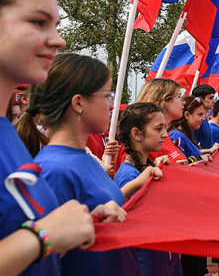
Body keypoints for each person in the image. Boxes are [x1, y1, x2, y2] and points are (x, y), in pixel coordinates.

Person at [0, 0, 107, 275]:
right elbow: (40, 235)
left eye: (56, 25)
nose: (59, 41)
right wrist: (43, 237)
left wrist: (86, 219)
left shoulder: (9, 134)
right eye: (38, 22)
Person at [24, 54, 139, 275]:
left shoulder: (83, 157)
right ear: (78, 102)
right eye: (107, 95)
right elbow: (40, 262)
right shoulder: (53, 170)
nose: (112, 105)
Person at [114, 103, 181, 276]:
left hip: (162, 259)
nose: (165, 135)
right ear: (136, 134)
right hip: (147, 264)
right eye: (159, 129)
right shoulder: (129, 176)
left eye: (164, 128)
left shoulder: (145, 167)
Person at [134, 78, 189, 166]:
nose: (184, 102)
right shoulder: (144, 139)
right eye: (179, 97)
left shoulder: (165, 136)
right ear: (166, 100)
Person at [167, 96, 209, 162]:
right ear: (187, 115)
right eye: (200, 114)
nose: (203, 118)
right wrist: (200, 159)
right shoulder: (176, 136)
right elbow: (178, 165)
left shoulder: (182, 135)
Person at [190, 84, 216, 152]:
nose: (214, 101)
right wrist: (209, 150)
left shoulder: (204, 119)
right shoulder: (196, 121)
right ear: (201, 99)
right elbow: (190, 149)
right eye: (210, 98)